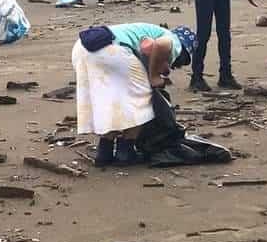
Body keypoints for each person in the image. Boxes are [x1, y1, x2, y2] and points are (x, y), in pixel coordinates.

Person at [72, 23, 195, 166]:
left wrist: (158, 67)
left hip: (82, 49)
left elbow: (146, 50)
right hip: (111, 50)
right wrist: (154, 76)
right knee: (143, 98)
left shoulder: (149, 31)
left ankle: (105, 151)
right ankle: (126, 151)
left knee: (110, 102)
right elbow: (162, 45)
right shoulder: (173, 39)